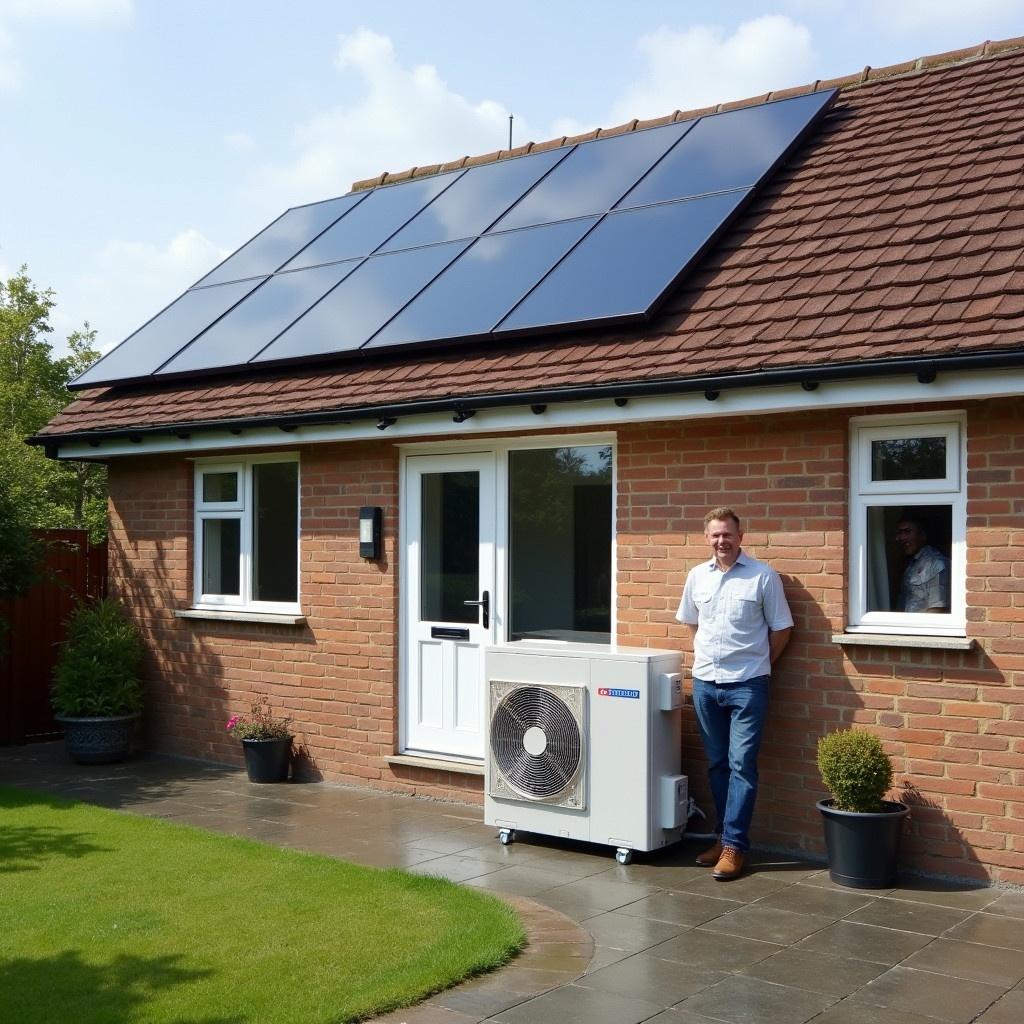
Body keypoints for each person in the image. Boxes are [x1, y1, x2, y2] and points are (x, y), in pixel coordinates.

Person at [676, 507, 793, 881]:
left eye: (727, 534)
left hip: (748, 685)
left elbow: (782, 630)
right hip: (707, 683)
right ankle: (721, 838)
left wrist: (759, 664)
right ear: (706, 538)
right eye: (715, 535)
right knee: (716, 764)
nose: (721, 541)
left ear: (741, 537)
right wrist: (707, 661)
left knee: (742, 765)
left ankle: (734, 848)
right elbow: (693, 625)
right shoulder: (697, 577)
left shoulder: (763, 577)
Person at [895, 516, 950, 613]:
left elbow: (937, 609)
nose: (902, 538)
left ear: (922, 535)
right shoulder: (911, 564)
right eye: (900, 532)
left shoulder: (936, 564)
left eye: (907, 531)